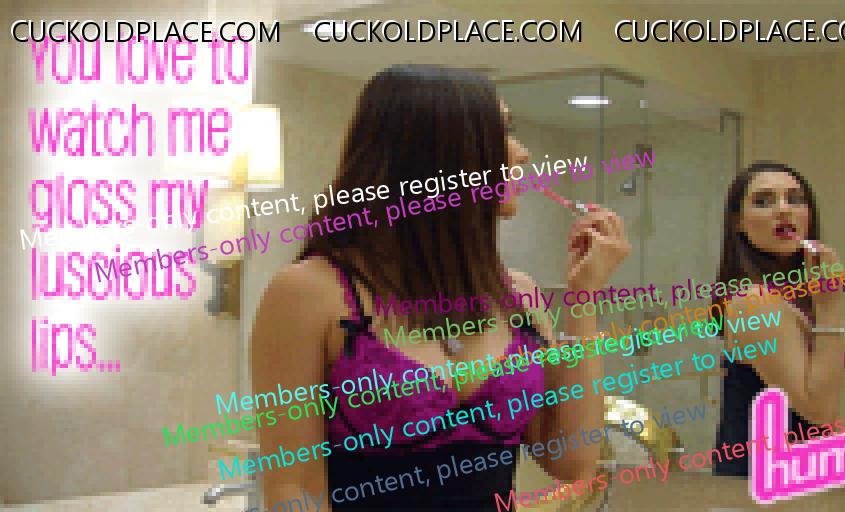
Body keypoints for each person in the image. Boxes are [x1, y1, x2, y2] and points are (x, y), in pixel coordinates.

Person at [249, 64, 630, 510]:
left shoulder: (518, 295)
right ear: (441, 155)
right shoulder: (310, 293)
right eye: (502, 132)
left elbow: (572, 460)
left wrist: (583, 297)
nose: (522, 153)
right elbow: (294, 491)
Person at [711, 161, 845, 477]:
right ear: (738, 223)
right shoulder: (755, 302)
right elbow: (818, 412)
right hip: (760, 485)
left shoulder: (790, 298)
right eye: (763, 201)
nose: (784, 210)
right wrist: (829, 308)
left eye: (795, 199)